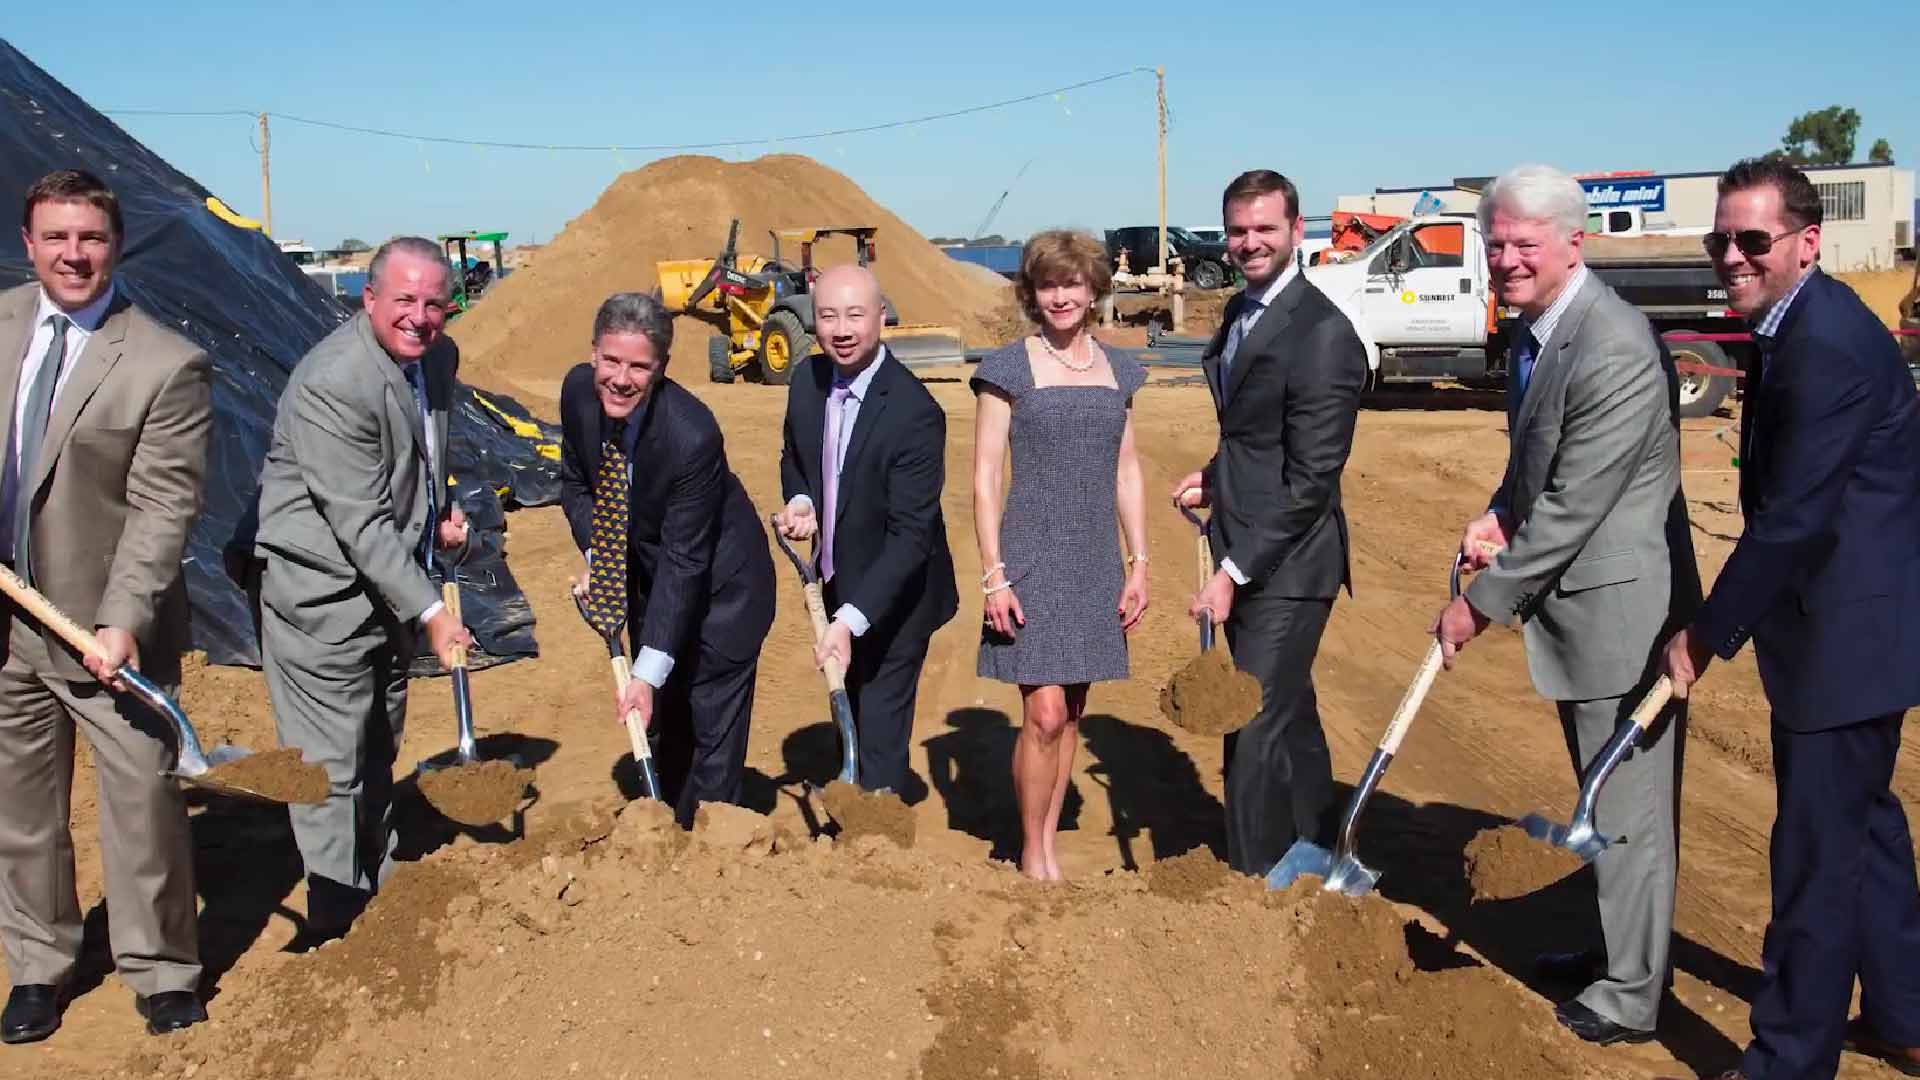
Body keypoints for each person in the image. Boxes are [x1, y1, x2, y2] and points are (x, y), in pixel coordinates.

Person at [1658, 158, 1920, 1080]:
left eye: (1754, 240)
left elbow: (1793, 522)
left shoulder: (1828, 344)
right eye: (1720, 239)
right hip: (1855, 633)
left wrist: (1703, 634)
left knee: (1815, 858)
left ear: (1808, 242)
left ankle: (1788, 1058)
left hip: (1847, 639)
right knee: (1865, 828)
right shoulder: (1795, 324)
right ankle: (1905, 1014)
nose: (1733, 254)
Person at [1432, 163, 1699, 1047]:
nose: (1505, 258)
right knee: (1601, 798)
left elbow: (1579, 501)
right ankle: (1611, 948)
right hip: (1581, 609)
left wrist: (1480, 606)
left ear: (1572, 244)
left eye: (1523, 244)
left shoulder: (1614, 342)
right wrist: (1496, 512)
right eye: (1495, 242)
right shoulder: (1538, 328)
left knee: (1628, 811)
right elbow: (1536, 463)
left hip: (1624, 614)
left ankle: (1631, 996)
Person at [0, 170, 212, 1042]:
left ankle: (160, 967)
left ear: (115, 246)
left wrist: (122, 619)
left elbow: (164, 508)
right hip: (11, 625)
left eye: (89, 238)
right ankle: (39, 965)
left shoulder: (164, 361)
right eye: (56, 237)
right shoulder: (3, 323)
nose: (73, 254)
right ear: (29, 243)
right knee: (20, 810)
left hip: (103, 629)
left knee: (142, 805)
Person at [253, 236, 473, 946]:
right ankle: (333, 916)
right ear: (368, 298)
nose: (419, 316)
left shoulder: (437, 357)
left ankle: (375, 889)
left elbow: (422, 450)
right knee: (328, 764)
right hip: (319, 591)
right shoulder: (334, 381)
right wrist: (434, 611)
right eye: (403, 300)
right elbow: (358, 520)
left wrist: (437, 508)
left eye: (434, 302)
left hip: (387, 588)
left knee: (378, 740)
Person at [1170, 169, 1367, 879]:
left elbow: (1312, 479)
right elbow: (1254, 436)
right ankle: (1322, 849)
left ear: (1296, 229)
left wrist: (1231, 571)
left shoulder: (1322, 334)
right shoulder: (1238, 311)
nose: (1249, 242)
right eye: (1239, 229)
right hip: (1247, 537)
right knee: (1291, 713)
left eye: (1265, 229)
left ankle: (1248, 882)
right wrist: (1213, 475)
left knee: (1247, 717)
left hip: (1290, 563)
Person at [971, 229, 1149, 881]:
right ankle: (1029, 850)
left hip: (1094, 559)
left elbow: (1128, 471)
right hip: (1031, 558)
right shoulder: (1008, 368)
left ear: (1093, 289)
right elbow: (985, 477)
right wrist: (994, 577)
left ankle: (1048, 841)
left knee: (1072, 709)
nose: (1061, 296)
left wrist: (1140, 564)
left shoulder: (1119, 371)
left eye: (1072, 283)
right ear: (1031, 292)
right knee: (1042, 711)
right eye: (1048, 284)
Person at [563, 292, 774, 826]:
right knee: (663, 722)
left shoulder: (691, 435)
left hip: (724, 590)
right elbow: (576, 485)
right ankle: (667, 836)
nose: (620, 378)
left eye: (639, 367)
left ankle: (711, 848)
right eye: (611, 360)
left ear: (661, 369)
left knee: (707, 726)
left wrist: (646, 673)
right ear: (593, 353)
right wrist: (603, 557)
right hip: (652, 578)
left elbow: (687, 560)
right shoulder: (577, 395)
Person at [774, 265, 957, 794]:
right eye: (829, 316)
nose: (842, 328)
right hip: (837, 580)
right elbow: (795, 456)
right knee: (846, 702)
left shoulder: (914, 413)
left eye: (856, 314)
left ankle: (877, 837)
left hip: (896, 595)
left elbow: (910, 538)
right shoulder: (806, 382)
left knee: (878, 726)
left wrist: (850, 622)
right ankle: (850, 796)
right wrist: (803, 498)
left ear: (881, 317)